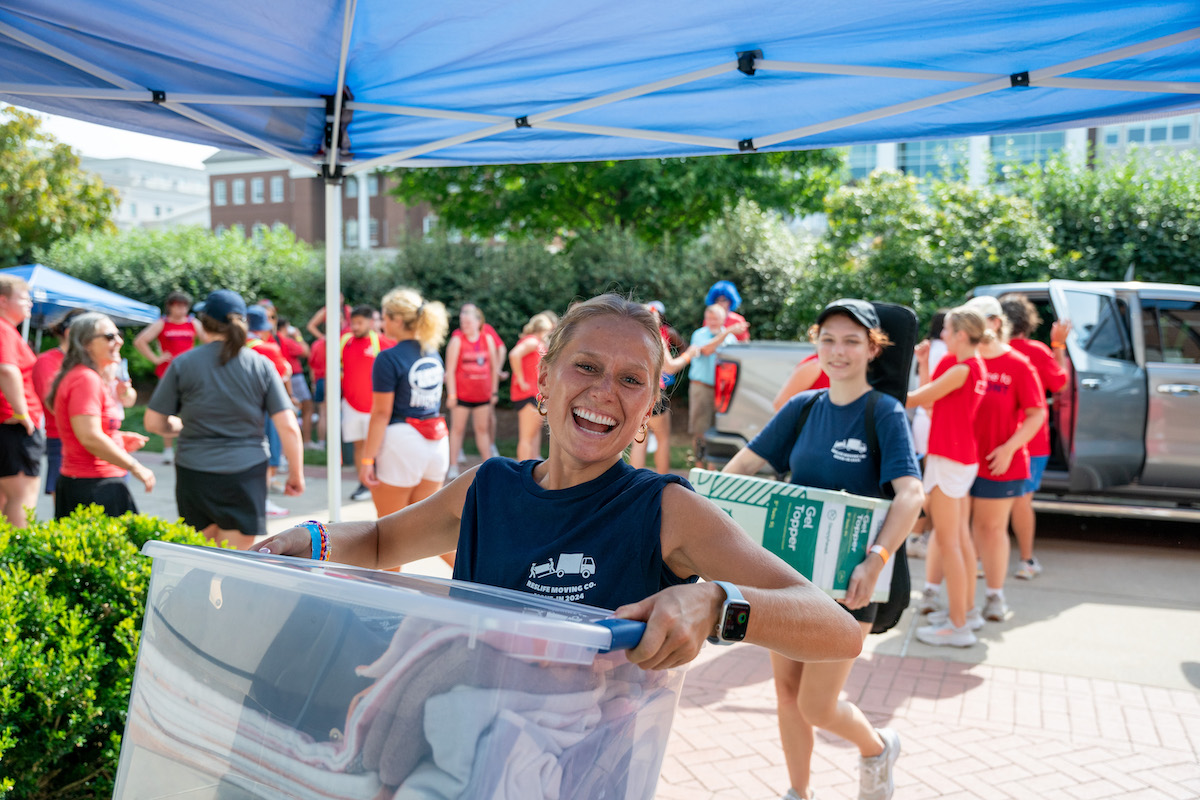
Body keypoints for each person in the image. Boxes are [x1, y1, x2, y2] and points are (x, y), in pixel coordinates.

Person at [257, 293, 863, 672]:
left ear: (652, 404)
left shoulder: (665, 510)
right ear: (544, 382)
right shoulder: (487, 487)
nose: (604, 392)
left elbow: (837, 631)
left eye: (631, 380)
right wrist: (310, 538)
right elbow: (384, 544)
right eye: (587, 367)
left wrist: (715, 602)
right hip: (466, 754)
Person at [723, 299, 924, 800]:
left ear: (872, 349)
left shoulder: (884, 412)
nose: (838, 351)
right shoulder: (802, 408)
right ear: (816, 343)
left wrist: (876, 560)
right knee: (787, 697)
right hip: (789, 580)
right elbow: (740, 469)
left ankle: (878, 747)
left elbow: (911, 494)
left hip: (852, 585)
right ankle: (799, 792)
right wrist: (706, 509)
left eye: (852, 341)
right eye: (829, 339)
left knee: (817, 704)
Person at [144, 289, 304, 549]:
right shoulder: (261, 364)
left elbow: (153, 423)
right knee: (236, 565)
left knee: (201, 561)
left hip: (195, 472)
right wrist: (296, 474)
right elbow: (287, 425)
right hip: (246, 473)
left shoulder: (183, 363)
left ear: (204, 322)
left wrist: (180, 426)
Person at [904, 306, 988, 646]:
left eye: (947, 330)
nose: (942, 335)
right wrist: (924, 364)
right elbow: (929, 405)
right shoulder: (971, 366)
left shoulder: (963, 369)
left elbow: (915, 399)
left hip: (951, 458)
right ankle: (963, 613)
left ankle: (958, 627)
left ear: (961, 335)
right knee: (958, 542)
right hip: (955, 457)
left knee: (950, 543)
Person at [961, 295, 1046, 623]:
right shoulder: (962, 360)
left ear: (995, 323)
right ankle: (959, 603)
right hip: (961, 460)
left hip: (1000, 462)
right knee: (957, 532)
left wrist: (1010, 447)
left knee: (991, 529)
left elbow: (1037, 413)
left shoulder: (1018, 364)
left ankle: (995, 597)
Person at [360, 288, 451, 531]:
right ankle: (477, 571)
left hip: (402, 442)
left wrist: (367, 458)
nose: (381, 322)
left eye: (385, 317)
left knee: (389, 535)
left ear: (397, 320)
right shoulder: (432, 351)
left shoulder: (387, 358)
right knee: (429, 531)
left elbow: (380, 413)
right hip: (437, 443)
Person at [47, 313, 154, 518]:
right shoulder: (85, 379)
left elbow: (84, 431)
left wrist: (119, 438)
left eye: (118, 334)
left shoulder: (86, 376)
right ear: (86, 344)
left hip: (91, 483)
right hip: (93, 486)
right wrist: (135, 466)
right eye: (109, 336)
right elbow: (89, 437)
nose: (119, 341)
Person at [1000, 293, 1070, 581]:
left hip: (997, 438)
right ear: (1028, 322)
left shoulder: (992, 351)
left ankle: (980, 560)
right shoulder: (1038, 352)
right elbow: (1060, 383)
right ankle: (1026, 561)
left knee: (986, 504)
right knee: (1022, 501)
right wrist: (1059, 345)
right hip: (1033, 441)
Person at [133, 291, 203, 465]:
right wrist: (156, 359)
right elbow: (140, 341)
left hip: (190, 373)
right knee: (167, 411)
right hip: (168, 374)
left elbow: (209, 341)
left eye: (184, 305)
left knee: (191, 410)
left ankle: (189, 447)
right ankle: (167, 451)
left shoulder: (193, 323)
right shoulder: (162, 323)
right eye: (178, 305)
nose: (181, 309)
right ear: (170, 306)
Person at [630, 302, 698, 474]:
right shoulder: (656, 337)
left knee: (639, 440)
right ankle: (662, 483)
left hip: (634, 392)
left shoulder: (629, 336)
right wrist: (688, 356)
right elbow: (669, 367)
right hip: (653, 392)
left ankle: (632, 484)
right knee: (663, 439)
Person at [0, 274, 45, 528]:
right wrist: (22, 413)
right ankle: (18, 562)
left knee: (6, 499)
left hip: (8, 425)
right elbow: (6, 369)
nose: (30, 302)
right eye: (24, 297)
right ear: (3, 300)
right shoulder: (3, 328)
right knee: (21, 499)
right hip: (14, 427)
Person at [342, 305, 395, 501]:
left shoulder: (383, 343)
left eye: (359, 323)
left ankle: (381, 483)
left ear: (371, 323)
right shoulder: (345, 342)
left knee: (379, 447)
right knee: (359, 446)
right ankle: (363, 484)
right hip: (351, 404)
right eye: (352, 323)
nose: (355, 327)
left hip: (375, 406)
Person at [32, 309, 86, 499]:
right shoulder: (47, 361)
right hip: (63, 439)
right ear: (70, 332)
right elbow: (52, 403)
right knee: (67, 506)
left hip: (92, 435)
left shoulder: (90, 361)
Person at [247, 305, 294, 517]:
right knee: (270, 455)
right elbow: (283, 373)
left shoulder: (232, 347)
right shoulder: (267, 349)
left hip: (242, 410)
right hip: (267, 409)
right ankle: (263, 501)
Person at [688, 304, 747, 468]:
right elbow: (706, 350)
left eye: (716, 318)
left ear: (723, 319)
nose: (712, 322)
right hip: (702, 388)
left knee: (717, 430)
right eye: (709, 318)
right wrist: (727, 332)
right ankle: (699, 467)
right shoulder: (699, 335)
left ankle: (712, 470)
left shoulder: (731, 340)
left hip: (722, 392)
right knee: (699, 429)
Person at [445, 303, 499, 479]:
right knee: (457, 429)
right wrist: (452, 395)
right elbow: (450, 370)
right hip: (461, 396)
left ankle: (489, 466)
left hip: (482, 395)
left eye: (468, 321)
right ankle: (453, 465)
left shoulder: (487, 339)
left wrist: (494, 392)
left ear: (478, 322)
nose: (464, 325)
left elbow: (493, 368)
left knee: (482, 430)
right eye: (462, 321)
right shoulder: (456, 340)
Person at [508, 311, 558, 461]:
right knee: (526, 438)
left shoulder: (538, 343)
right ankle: (522, 471)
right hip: (527, 394)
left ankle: (533, 464)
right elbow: (514, 355)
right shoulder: (532, 341)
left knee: (532, 435)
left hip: (535, 394)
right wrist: (521, 379)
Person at [277, 315, 314, 447]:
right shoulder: (287, 340)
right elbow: (306, 351)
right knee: (307, 407)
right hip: (294, 377)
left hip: (284, 377)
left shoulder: (275, 340)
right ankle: (306, 441)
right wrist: (298, 336)